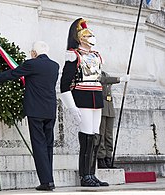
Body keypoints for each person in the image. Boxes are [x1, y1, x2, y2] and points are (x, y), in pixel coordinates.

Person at [0, 41, 59, 191]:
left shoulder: (32, 64)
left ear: (34, 53)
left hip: (36, 111)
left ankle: (46, 181)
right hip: (50, 110)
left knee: (39, 145)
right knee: (48, 145)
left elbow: (12, 74)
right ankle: (50, 179)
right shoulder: (55, 66)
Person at [60, 18, 109, 187]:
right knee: (87, 137)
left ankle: (92, 174)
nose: (91, 38)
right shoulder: (74, 56)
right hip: (82, 97)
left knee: (96, 137)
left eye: (92, 35)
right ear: (80, 38)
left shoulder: (96, 56)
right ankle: (84, 175)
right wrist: (72, 107)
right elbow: (64, 84)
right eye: (88, 35)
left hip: (96, 98)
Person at [98, 71, 130, 168]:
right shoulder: (97, 74)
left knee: (109, 135)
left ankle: (109, 157)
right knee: (101, 134)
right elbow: (104, 80)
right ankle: (101, 158)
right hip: (102, 106)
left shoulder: (106, 73)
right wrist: (119, 79)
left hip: (109, 106)